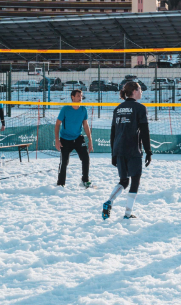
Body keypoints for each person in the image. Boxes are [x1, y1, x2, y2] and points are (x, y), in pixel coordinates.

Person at [103, 80, 152, 220]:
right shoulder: (140, 108)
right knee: (135, 180)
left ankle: (109, 201)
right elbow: (144, 131)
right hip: (132, 149)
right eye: (140, 89)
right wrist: (148, 151)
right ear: (135, 91)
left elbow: (112, 132)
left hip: (119, 149)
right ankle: (128, 214)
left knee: (124, 181)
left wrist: (113, 153)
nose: (142, 92)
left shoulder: (118, 108)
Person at [55, 89, 94, 188]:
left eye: (81, 96)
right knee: (64, 162)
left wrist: (90, 140)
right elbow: (57, 125)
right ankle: (60, 183)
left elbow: (85, 125)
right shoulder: (65, 109)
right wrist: (57, 140)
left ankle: (85, 180)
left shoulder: (83, 109)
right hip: (65, 139)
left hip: (78, 138)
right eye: (78, 96)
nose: (80, 98)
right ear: (72, 97)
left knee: (85, 158)